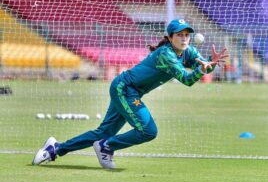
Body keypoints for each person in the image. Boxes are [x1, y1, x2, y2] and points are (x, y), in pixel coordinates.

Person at [32, 19, 228, 169]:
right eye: (180, 35)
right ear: (169, 38)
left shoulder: (189, 50)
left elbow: (202, 66)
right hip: (124, 89)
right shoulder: (166, 54)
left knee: (103, 132)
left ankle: (55, 149)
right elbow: (187, 80)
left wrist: (210, 64)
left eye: (187, 35)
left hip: (129, 90)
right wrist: (203, 70)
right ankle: (107, 146)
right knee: (148, 131)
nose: (185, 38)